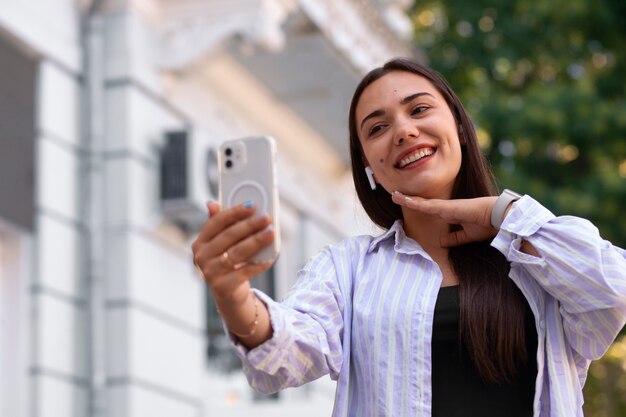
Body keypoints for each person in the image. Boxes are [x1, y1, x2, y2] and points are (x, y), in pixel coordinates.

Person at [191, 58, 626, 417]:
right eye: (377, 128)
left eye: (419, 110)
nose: (403, 131)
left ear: (457, 125)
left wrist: (504, 215)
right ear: (370, 168)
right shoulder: (348, 269)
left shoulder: (534, 254)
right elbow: (283, 357)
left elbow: (614, 291)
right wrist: (232, 294)